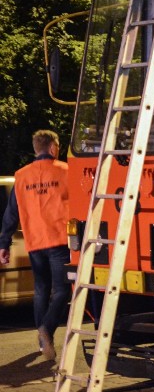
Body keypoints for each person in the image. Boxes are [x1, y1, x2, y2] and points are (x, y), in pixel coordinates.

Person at [0, 130, 71, 361]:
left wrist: (4, 242)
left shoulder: (21, 176)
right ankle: (47, 329)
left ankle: (43, 342)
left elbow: (11, 213)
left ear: (35, 148)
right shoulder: (65, 171)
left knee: (41, 290)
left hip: (33, 241)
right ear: (53, 148)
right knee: (62, 290)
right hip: (59, 240)